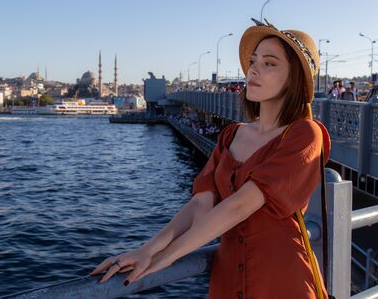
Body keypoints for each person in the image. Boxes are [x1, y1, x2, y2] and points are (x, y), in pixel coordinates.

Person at [91, 19, 331, 299]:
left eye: (269, 63)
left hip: (282, 279)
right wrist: (148, 249)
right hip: (228, 278)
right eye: (254, 61)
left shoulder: (305, 134)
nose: (253, 69)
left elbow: (239, 206)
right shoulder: (232, 135)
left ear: (295, 79)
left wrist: (166, 258)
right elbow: (200, 204)